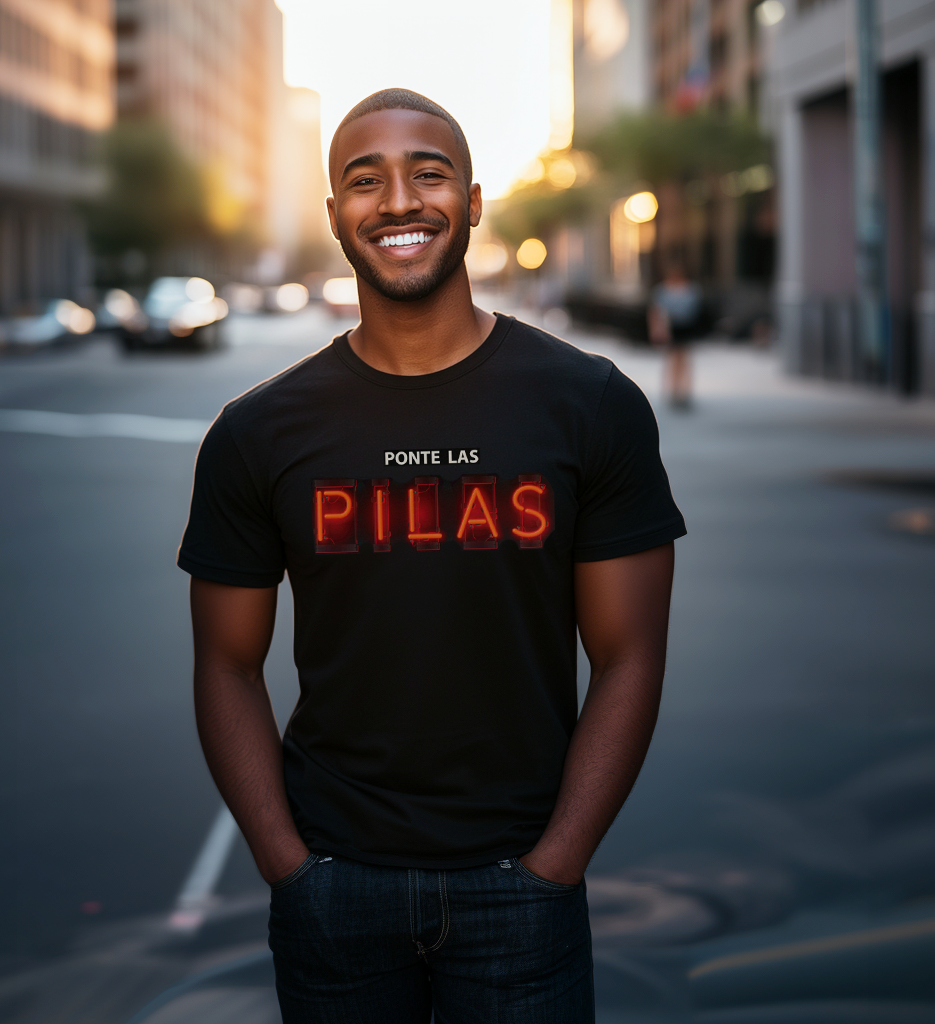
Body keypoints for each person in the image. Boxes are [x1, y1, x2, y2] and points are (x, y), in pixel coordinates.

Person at [178, 89, 686, 1023]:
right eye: (365, 181)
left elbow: (630, 657)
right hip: (335, 886)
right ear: (335, 215)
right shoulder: (257, 433)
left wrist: (556, 864)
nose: (399, 201)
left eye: (429, 172)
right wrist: (287, 866)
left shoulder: (589, 405)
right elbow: (226, 663)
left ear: (475, 200)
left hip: (520, 886)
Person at [647, 259, 703, 409]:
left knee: (684, 359)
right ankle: (673, 391)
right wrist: (657, 329)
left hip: (686, 328)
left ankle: (683, 392)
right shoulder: (662, 291)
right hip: (671, 327)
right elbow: (656, 312)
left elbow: (697, 311)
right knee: (673, 360)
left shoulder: (691, 289)